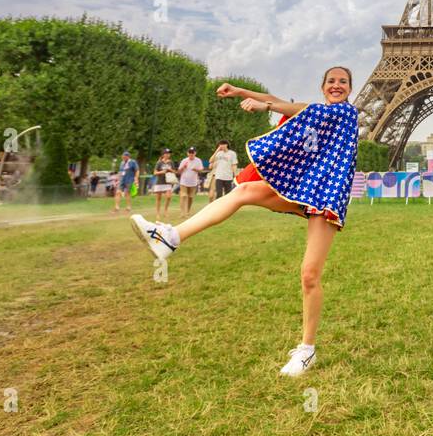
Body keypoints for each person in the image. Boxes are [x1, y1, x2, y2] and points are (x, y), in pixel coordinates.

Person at [131, 66, 359, 377]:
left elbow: (279, 105)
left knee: (309, 275)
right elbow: (277, 100)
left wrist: (265, 107)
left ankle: (307, 350)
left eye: (342, 82)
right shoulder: (314, 112)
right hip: (304, 187)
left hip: (326, 197)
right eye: (330, 81)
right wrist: (240, 92)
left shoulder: (346, 113)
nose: (336, 85)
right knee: (246, 190)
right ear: (322, 87)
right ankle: (170, 236)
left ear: (350, 89)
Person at [176, 147, 205, 219]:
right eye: (190, 152)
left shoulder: (198, 160)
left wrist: (196, 169)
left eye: (192, 152)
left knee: (191, 197)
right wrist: (183, 167)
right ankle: (182, 213)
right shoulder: (184, 160)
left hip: (193, 182)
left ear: (195, 153)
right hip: (184, 181)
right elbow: (179, 171)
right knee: (183, 195)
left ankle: (187, 211)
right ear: (187, 153)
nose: (191, 154)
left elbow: (201, 170)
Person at [151, 148, 176, 219]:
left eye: (169, 153)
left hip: (168, 182)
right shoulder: (159, 163)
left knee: (168, 197)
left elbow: (175, 172)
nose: (168, 155)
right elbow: (155, 172)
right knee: (158, 198)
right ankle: (158, 213)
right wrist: (162, 172)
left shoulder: (171, 162)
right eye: (167, 153)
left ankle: (165, 211)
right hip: (159, 182)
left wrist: (170, 170)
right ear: (163, 154)